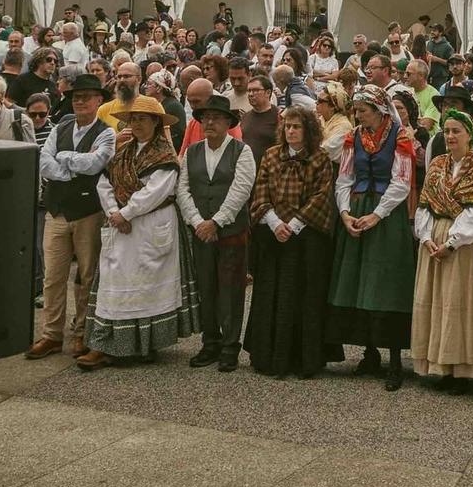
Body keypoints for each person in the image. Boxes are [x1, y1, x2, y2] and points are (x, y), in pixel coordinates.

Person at [77, 94, 192, 370]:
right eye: (133, 119)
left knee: (146, 287)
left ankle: (144, 346)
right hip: (122, 227)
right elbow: (103, 184)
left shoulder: (164, 156)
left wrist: (125, 213)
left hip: (149, 225)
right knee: (113, 285)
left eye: (143, 119)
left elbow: (156, 191)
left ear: (155, 122)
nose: (137, 124)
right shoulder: (122, 152)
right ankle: (105, 345)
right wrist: (113, 213)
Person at [327, 83, 417, 389]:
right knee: (357, 282)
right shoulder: (355, 136)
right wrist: (344, 213)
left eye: (363, 110)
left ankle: (394, 361)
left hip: (386, 217)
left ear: (378, 110)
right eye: (356, 110)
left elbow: (402, 182)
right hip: (357, 209)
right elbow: (345, 177)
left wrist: (377, 214)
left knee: (386, 284)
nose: (358, 115)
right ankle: (369, 352)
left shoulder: (400, 135)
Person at [245, 104, 338, 379]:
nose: (291, 131)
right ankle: (269, 356)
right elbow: (260, 192)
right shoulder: (272, 155)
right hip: (274, 237)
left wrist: (295, 224)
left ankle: (303, 360)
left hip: (306, 239)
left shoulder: (320, 158)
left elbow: (322, 196)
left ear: (308, 130)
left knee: (304, 297)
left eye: (296, 126)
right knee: (272, 294)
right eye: (287, 126)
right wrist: (275, 223)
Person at [26, 74, 116, 360]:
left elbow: (95, 164)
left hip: (88, 212)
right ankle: (51, 335)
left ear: (99, 100)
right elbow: (44, 162)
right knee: (53, 277)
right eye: (76, 96)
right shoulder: (61, 126)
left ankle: (81, 333)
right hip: (56, 210)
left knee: (86, 276)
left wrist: (63, 159)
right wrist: (72, 164)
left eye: (86, 96)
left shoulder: (107, 132)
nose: (79, 101)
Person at [410, 108, 473, 392]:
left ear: (470, 135)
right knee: (437, 302)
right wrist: (426, 238)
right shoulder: (436, 165)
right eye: (446, 131)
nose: (450, 136)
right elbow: (425, 203)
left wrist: (452, 242)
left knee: (460, 303)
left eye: (456, 131)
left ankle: (462, 369)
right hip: (434, 237)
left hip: (463, 245)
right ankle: (440, 365)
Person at [178, 92, 256, 372]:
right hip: (201, 232)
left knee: (231, 289)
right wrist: (198, 221)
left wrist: (217, 222)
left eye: (216, 118)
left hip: (231, 231)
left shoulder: (241, 150)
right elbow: (183, 189)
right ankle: (210, 342)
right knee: (206, 287)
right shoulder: (192, 152)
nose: (209, 122)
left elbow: (242, 189)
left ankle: (230, 346)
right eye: (205, 118)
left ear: (228, 122)